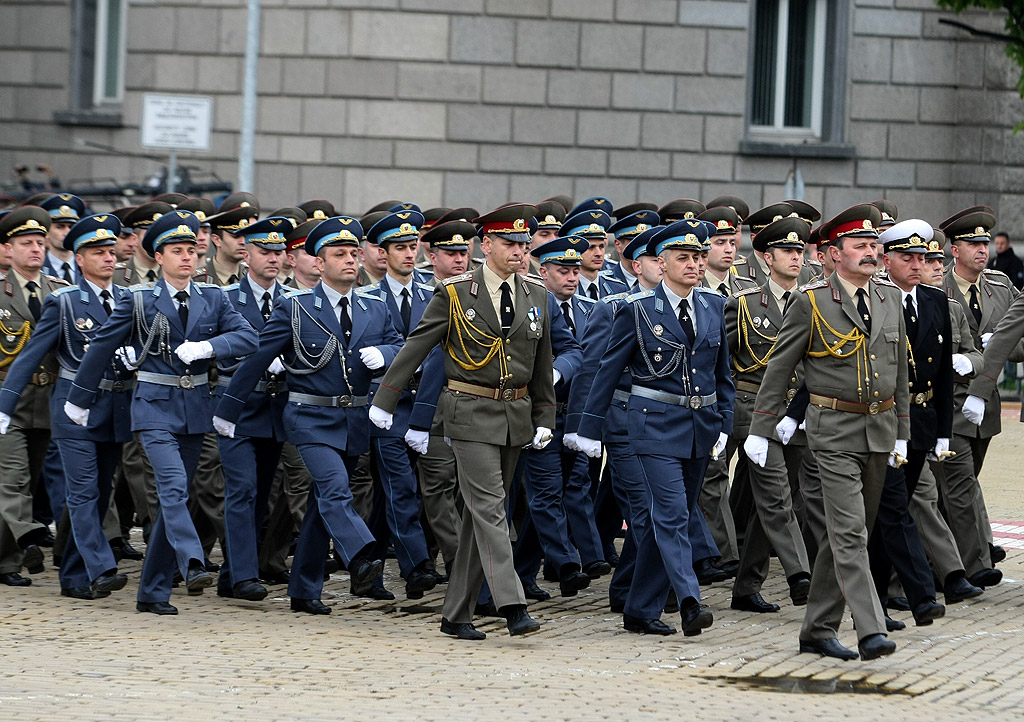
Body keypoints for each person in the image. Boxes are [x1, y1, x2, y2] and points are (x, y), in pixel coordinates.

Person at [369, 203, 556, 641]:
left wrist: (545, 414)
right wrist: (386, 398)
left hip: (515, 414)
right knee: (491, 509)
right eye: (509, 244)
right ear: (485, 244)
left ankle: (455, 615)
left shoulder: (537, 294)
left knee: (478, 518)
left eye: (524, 245)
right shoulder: (456, 293)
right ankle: (512, 605)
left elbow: (541, 362)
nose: (519, 252)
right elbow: (418, 346)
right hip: (468, 412)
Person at [66, 210, 258, 615]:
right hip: (152, 406)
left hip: (194, 409)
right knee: (172, 486)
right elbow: (101, 347)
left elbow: (248, 336)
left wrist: (210, 348)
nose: (187, 257)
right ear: (158, 256)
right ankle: (191, 561)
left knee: (178, 497)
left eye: (192, 250)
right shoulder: (138, 299)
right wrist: (79, 398)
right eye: (177, 251)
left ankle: (152, 591)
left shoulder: (214, 297)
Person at [214, 215, 403, 615]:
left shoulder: (375, 307)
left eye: (354, 253)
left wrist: (385, 354)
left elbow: (400, 345)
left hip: (353, 420)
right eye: (340, 254)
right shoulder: (295, 307)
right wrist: (228, 411)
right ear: (319, 262)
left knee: (322, 505)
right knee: (335, 489)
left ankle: (304, 588)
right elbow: (257, 360)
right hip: (310, 418)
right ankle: (363, 555)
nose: (351, 260)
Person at [745, 203, 908, 662]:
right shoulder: (811, 301)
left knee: (847, 535)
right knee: (850, 533)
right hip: (832, 431)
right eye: (860, 246)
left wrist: (901, 430)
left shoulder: (889, 298)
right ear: (833, 254)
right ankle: (870, 627)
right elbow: (779, 369)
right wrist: (761, 427)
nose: (871, 253)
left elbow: (896, 372)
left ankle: (817, 629)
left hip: (878, 429)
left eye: (874, 245)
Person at [575, 218, 734, 637]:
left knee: (673, 516)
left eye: (699, 256)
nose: (694, 264)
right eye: (683, 257)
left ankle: (639, 607)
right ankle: (689, 600)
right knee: (671, 515)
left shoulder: (714, 306)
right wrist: (588, 429)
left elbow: (723, 375)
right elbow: (606, 371)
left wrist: (724, 423)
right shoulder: (637, 310)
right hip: (651, 426)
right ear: (660, 264)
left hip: (699, 426)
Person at [0, 213, 134, 599]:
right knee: (82, 492)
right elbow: (30, 356)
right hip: (74, 407)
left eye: (111, 252)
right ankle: (101, 566)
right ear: (79, 258)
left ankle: (73, 577)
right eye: (98, 252)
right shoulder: (64, 301)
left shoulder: (129, 299)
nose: (109, 259)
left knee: (99, 491)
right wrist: (6, 405)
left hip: (115, 407)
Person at [211, 216, 291, 603]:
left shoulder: (294, 301)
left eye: (279, 252)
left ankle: (231, 573)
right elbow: (213, 350)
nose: (274, 259)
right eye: (265, 252)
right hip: (237, 408)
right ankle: (244, 575)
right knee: (241, 490)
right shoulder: (225, 299)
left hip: (275, 409)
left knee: (263, 496)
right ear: (247, 255)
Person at [937, 206, 1014, 589]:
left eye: (985, 243)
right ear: (955, 250)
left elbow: (1018, 338)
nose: (982, 250)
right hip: (946, 403)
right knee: (960, 481)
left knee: (954, 486)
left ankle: (939, 557)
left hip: (985, 402)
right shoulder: (937, 287)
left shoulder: (1001, 288)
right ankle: (975, 563)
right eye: (972, 244)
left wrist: (998, 348)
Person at [0, 206, 68, 585]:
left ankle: (5, 559)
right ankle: (25, 540)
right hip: (6, 400)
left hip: (47, 400)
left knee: (34, 476)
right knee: (13, 479)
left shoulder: (59, 292)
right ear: (8, 249)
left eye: (40, 243)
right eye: (26, 243)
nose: (35, 250)